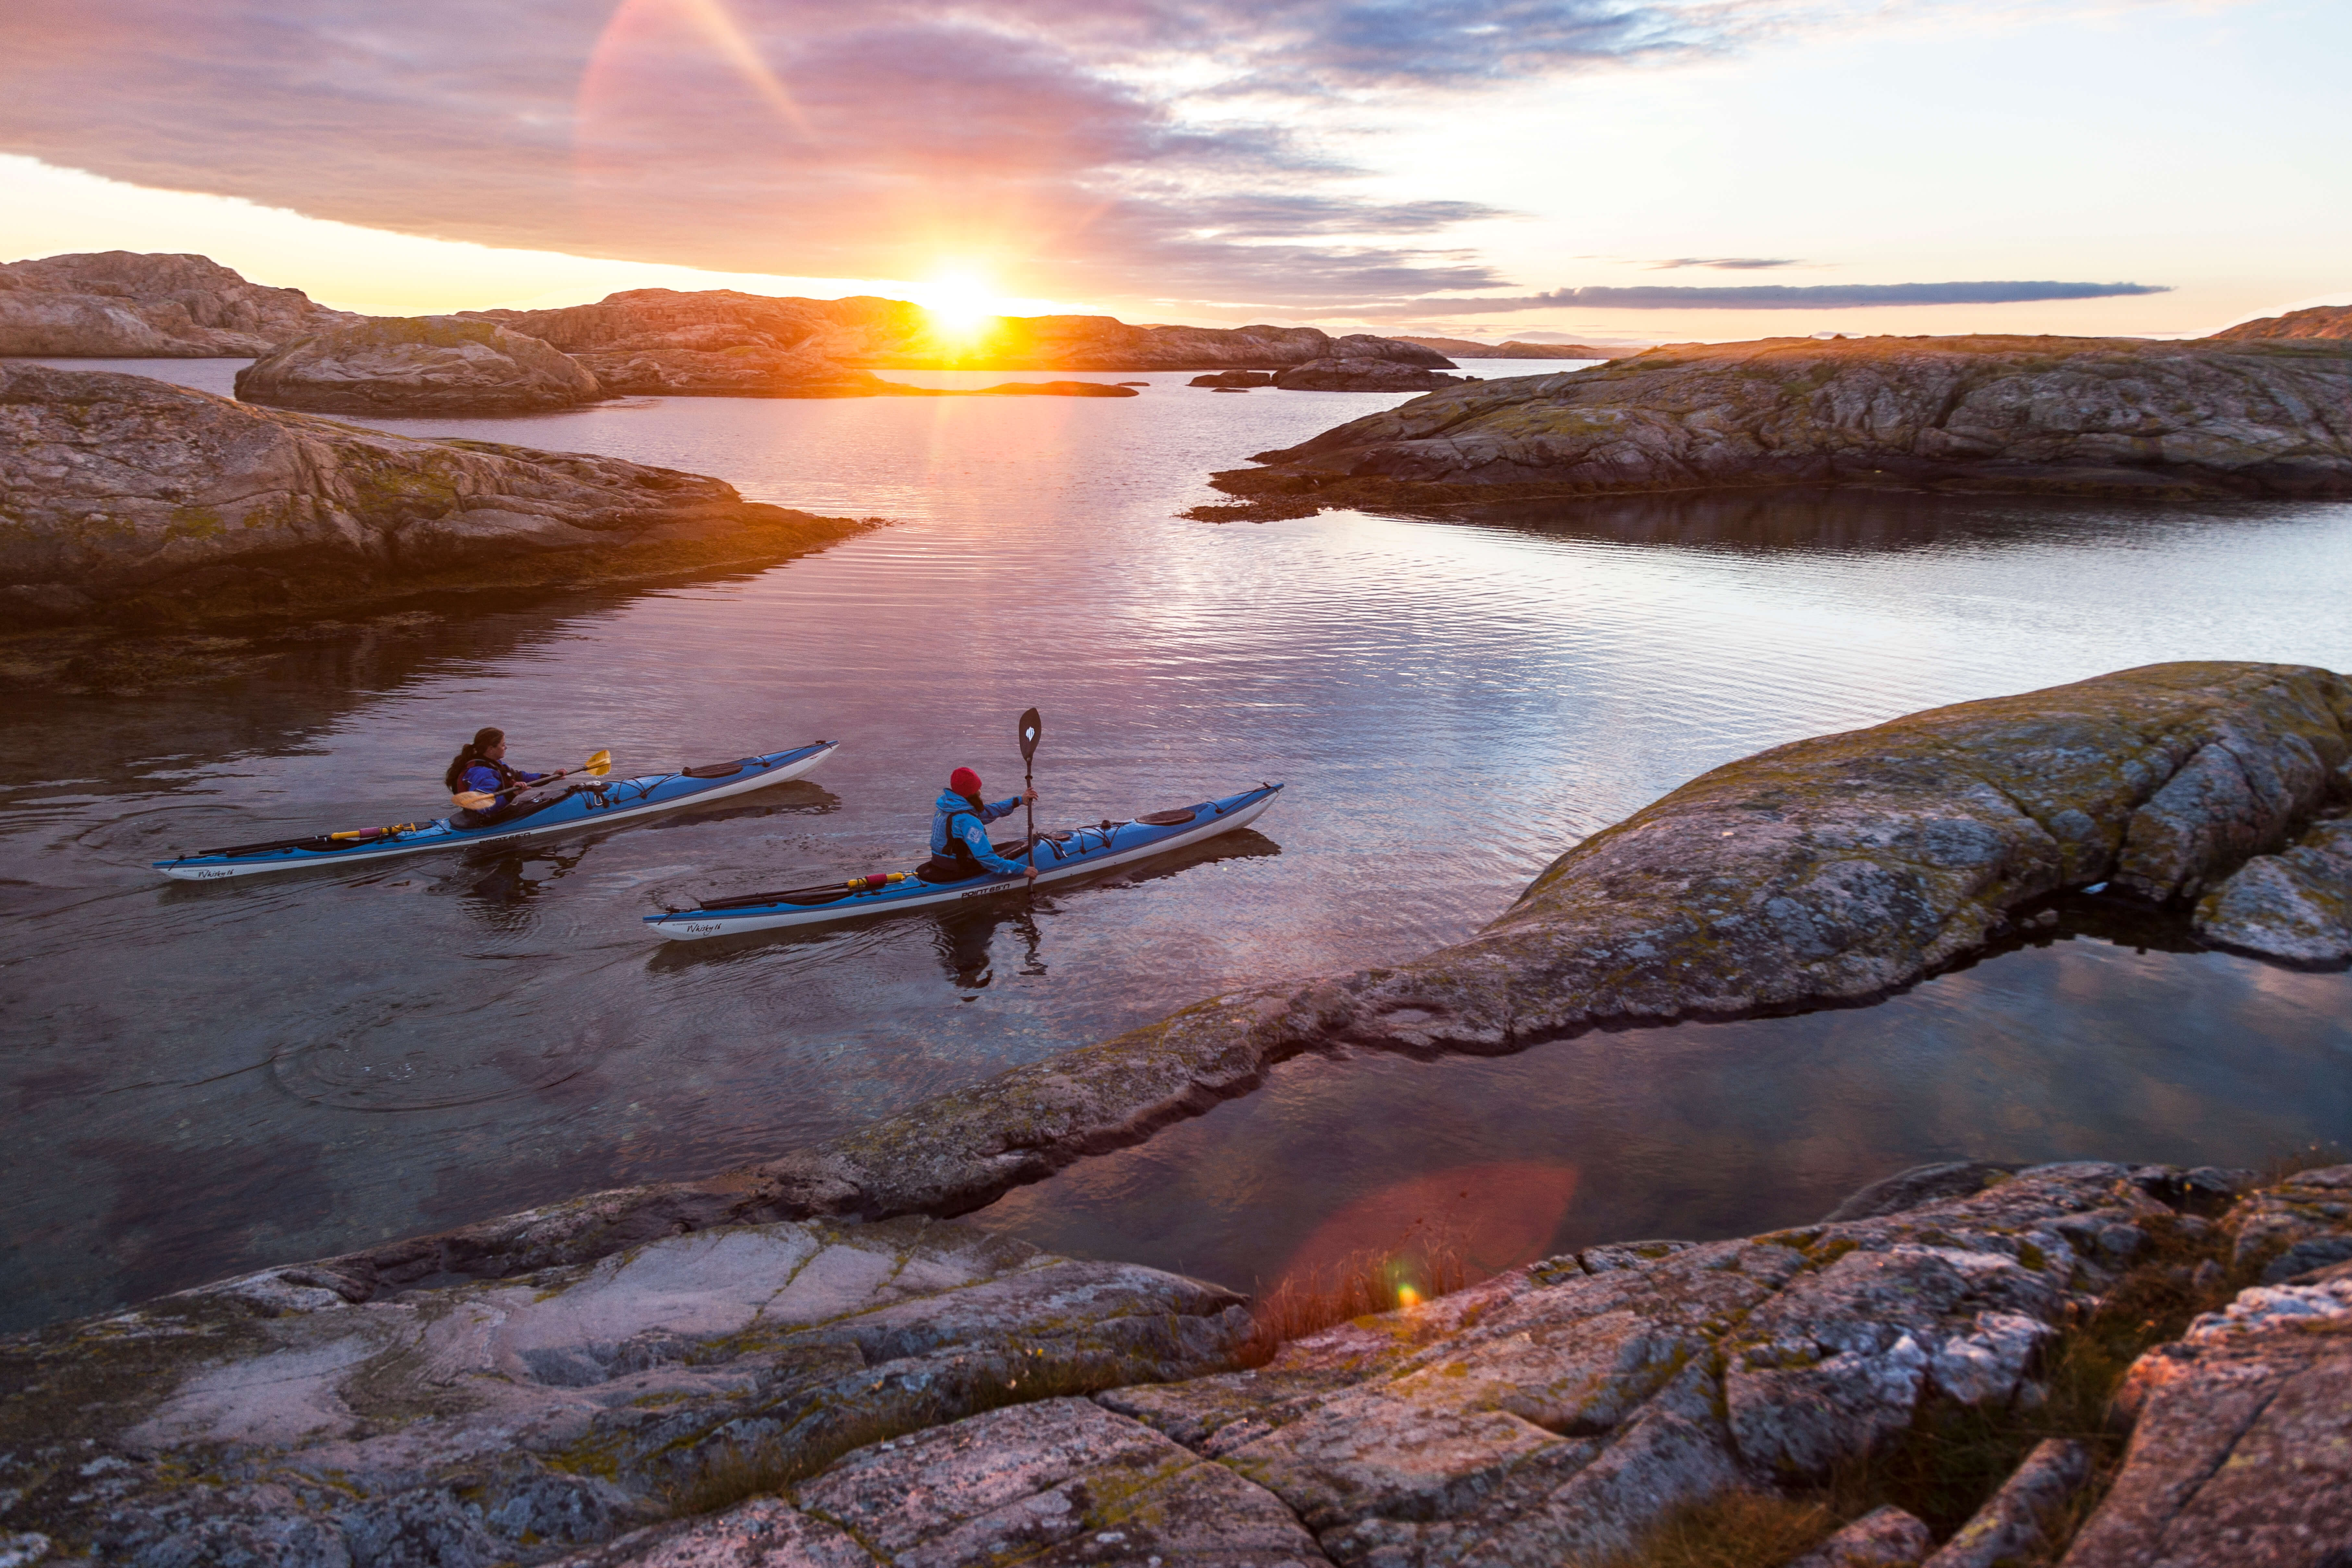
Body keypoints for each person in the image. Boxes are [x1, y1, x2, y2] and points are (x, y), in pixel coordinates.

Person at [922, 765, 1038, 882]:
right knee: (990, 856)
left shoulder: (947, 808)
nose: (981, 791)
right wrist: (1022, 870)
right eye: (978, 789)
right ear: (971, 793)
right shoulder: (969, 821)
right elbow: (986, 858)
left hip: (939, 862)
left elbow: (990, 812)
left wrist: (1018, 801)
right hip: (958, 867)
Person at [443, 727, 551, 828]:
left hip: (483, 813)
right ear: (491, 749)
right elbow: (482, 808)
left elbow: (521, 776)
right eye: (503, 745)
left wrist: (552, 777)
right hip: (483, 819)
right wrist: (512, 794)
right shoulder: (486, 775)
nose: (506, 747)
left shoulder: (492, 763)